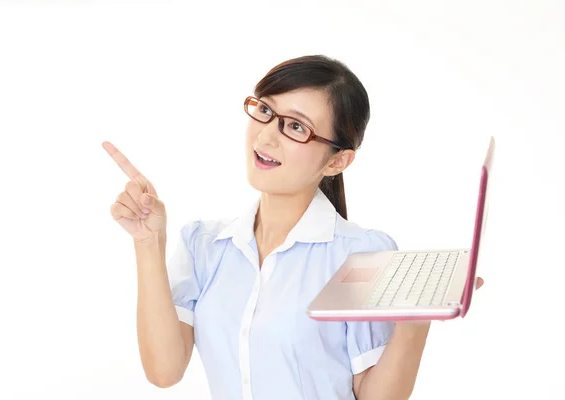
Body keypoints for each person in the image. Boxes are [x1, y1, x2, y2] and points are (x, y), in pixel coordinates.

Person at [102, 54, 484, 400]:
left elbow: (374, 396)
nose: (267, 135)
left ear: (337, 162)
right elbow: (164, 372)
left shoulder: (359, 255)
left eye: (296, 127)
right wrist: (148, 242)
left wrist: (414, 324)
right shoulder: (205, 245)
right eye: (266, 111)